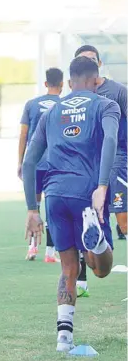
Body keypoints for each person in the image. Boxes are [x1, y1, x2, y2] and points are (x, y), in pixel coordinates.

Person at [22, 56, 120, 352]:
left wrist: (31, 209)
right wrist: (102, 186)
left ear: (68, 82)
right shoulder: (105, 105)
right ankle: (98, 241)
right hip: (88, 194)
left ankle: (64, 338)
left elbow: (29, 161)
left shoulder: (52, 112)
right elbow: (111, 142)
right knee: (100, 268)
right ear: (96, 79)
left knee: (68, 269)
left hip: (55, 195)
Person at [73, 45, 127, 297]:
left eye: (91, 61)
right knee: (82, 218)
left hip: (116, 161)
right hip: (84, 167)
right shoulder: (74, 97)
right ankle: (80, 281)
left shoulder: (117, 92)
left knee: (122, 218)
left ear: (99, 64)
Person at [18, 68, 63, 262]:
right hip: (56, 164)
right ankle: (50, 253)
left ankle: (32, 248)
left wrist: (20, 161)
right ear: (62, 84)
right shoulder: (65, 105)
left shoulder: (31, 104)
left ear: (45, 84)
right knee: (52, 207)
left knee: (34, 206)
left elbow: (23, 134)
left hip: (35, 162)